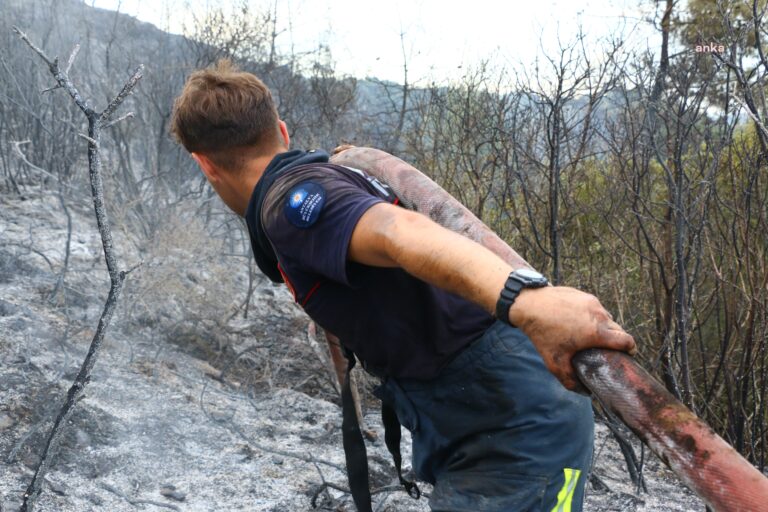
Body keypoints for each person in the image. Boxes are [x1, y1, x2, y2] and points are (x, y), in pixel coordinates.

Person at [169, 60, 637, 512]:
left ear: (205, 164)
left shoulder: (292, 202)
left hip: (515, 427)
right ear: (283, 131)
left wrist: (528, 302)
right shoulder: (326, 177)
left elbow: (398, 232)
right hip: (481, 416)